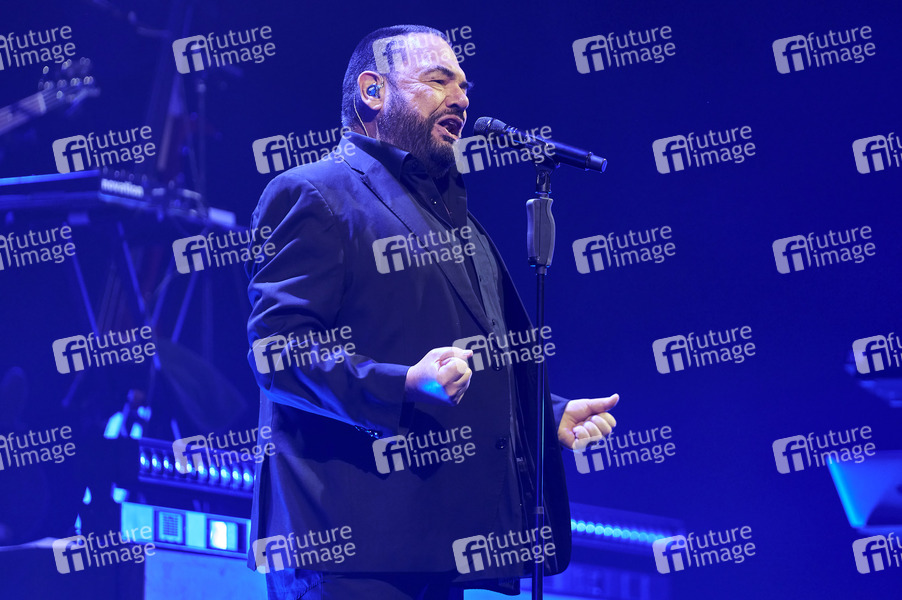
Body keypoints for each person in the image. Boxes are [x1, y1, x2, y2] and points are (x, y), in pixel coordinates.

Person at [245, 24, 620, 600]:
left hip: (434, 546)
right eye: (439, 80)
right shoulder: (314, 193)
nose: (462, 98)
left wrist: (544, 414)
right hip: (348, 549)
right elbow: (277, 352)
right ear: (373, 91)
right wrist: (400, 386)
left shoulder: (455, 221)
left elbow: (462, 358)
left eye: (465, 85)